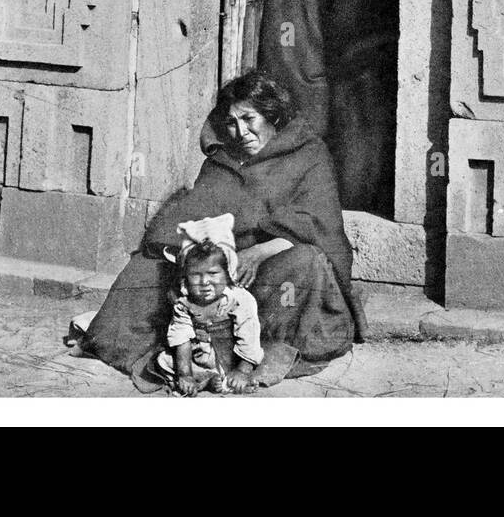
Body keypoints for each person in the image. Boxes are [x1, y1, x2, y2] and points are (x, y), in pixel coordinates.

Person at [78, 71, 367, 381]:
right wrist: (193, 257)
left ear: (272, 116)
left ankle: (247, 350)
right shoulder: (223, 159)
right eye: (231, 122)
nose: (240, 131)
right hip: (215, 270)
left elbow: (317, 225)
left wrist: (257, 253)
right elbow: (193, 215)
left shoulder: (308, 156)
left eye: (249, 119)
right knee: (148, 265)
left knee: (309, 264)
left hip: (270, 266)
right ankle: (174, 348)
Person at [258, 0, 397, 213]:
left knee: (357, 163)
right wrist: (307, 76)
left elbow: (386, 31)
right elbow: (284, 38)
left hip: (358, 88)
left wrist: (361, 56)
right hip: (308, 85)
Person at [153, 215, 262, 395]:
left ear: (227, 273)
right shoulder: (184, 302)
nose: (204, 282)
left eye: (213, 273)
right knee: (163, 361)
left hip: (232, 356)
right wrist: (185, 374)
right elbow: (181, 337)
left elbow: (248, 336)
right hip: (200, 358)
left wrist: (242, 370)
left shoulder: (239, 299)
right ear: (185, 276)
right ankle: (206, 379)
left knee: (255, 362)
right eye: (196, 274)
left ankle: (234, 378)